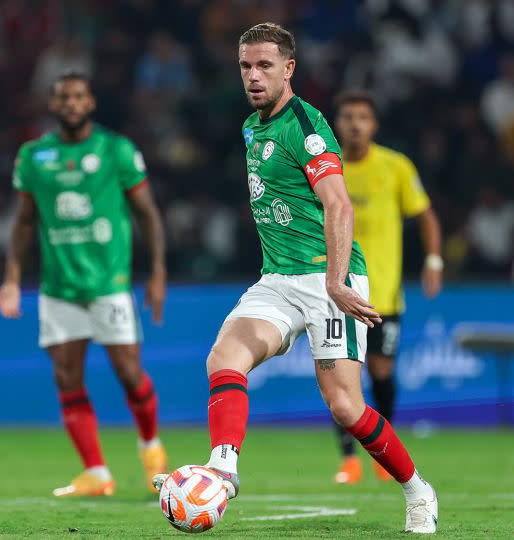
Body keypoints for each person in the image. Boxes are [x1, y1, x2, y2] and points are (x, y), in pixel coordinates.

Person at [153, 24, 438, 533]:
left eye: (265, 66)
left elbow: (338, 203)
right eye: (246, 66)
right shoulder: (250, 126)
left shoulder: (305, 126)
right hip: (278, 279)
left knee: (346, 406)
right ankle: (223, 469)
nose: (253, 76)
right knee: (224, 357)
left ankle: (417, 489)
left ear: (289, 69)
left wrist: (333, 281)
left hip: (329, 277)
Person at [0, 72, 169, 497]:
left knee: (129, 373)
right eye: (63, 98)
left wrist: (159, 271)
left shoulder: (116, 150)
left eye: (79, 96)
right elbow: (23, 221)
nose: (71, 103)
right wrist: (13, 277)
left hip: (109, 283)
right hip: (58, 287)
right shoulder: (34, 155)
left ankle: (151, 449)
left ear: (91, 102)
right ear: (53, 105)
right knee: (67, 377)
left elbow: (146, 212)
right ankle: (96, 472)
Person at [331, 90, 443, 484]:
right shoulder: (326, 166)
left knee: (380, 373)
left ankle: (383, 452)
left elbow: (425, 215)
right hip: (337, 293)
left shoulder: (395, 167)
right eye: (348, 116)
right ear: (338, 123)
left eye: (363, 116)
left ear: (374, 124)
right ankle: (348, 460)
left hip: (384, 295)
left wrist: (433, 259)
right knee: (341, 378)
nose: (355, 124)